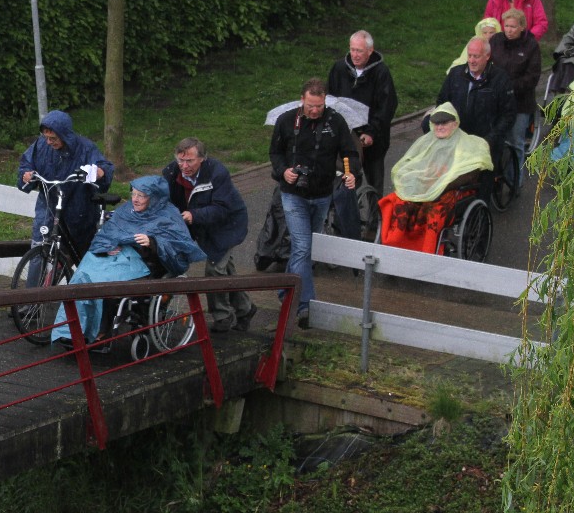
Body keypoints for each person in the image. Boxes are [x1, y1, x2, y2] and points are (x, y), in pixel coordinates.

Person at [50, 175, 206, 349]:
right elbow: (107, 234)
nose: (135, 199)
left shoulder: (168, 216)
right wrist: (107, 246)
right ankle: (69, 331)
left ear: (154, 197)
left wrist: (152, 242)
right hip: (114, 255)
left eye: (141, 195)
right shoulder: (126, 211)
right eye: (134, 194)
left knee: (99, 281)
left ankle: (97, 330)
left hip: (142, 261)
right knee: (80, 277)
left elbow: (178, 248)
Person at [268, 78, 360, 329]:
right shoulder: (286, 121)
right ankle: (304, 305)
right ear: (302, 100)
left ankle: (285, 291)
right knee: (302, 247)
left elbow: (350, 152)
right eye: (310, 106)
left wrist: (351, 173)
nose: (315, 110)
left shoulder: (336, 122)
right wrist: (284, 171)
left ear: (325, 101)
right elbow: (275, 153)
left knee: (306, 249)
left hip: (322, 194)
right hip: (293, 194)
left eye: (319, 106)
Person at [162, 138, 255, 332]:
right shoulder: (170, 172)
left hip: (226, 225)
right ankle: (245, 309)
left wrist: (194, 215)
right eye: (180, 160)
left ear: (202, 158)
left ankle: (222, 316)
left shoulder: (217, 173)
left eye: (189, 161)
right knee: (225, 269)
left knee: (214, 269)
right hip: (193, 224)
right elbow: (164, 200)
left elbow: (222, 208)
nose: (184, 166)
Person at [381, 103, 492, 254]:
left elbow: (470, 174)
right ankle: (396, 243)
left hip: (452, 189)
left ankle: (427, 250)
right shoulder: (426, 141)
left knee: (434, 211)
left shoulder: (469, 144)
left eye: (444, 123)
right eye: (436, 123)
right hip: (428, 185)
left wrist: (442, 184)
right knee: (399, 201)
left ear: (455, 124)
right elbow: (412, 164)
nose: (439, 127)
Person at [17, 110, 114, 261]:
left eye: (53, 138)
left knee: (81, 250)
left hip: (78, 205)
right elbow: (26, 164)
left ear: (64, 135)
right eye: (46, 137)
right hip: (48, 204)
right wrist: (27, 175)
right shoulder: (40, 145)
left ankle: (78, 273)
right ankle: (37, 276)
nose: (49, 142)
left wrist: (99, 172)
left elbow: (104, 167)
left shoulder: (85, 148)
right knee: (40, 246)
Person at [425, 35, 515, 188]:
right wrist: (447, 126)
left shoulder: (500, 79)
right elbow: (442, 102)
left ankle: (485, 199)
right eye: (470, 56)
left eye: (476, 56)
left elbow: (508, 115)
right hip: (458, 135)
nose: (472, 60)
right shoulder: (456, 74)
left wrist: (490, 139)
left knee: (483, 182)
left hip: (486, 139)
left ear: (487, 56)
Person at [327, 30, 399, 194]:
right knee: (347, 180)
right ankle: (351, 207)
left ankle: (375, 208)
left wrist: (371, 132)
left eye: (359, 51)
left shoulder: (381, 72)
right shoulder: (339, 68)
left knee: (374, 181)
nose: (355, 55)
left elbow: (386, 106)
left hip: (372, 137)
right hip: (346, 135)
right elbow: (330, 98)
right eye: (352, 49)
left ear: (370, 51)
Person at [488, 8, 541, 188]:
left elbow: (532, 77)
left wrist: (509, 88)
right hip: (496, 100)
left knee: (516, 142)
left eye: (513, 26)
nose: (509, 30)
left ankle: (515, 181)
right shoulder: (496, 41)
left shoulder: (531, 46)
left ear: (522, 27)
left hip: (520, 103)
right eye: (506, 26)